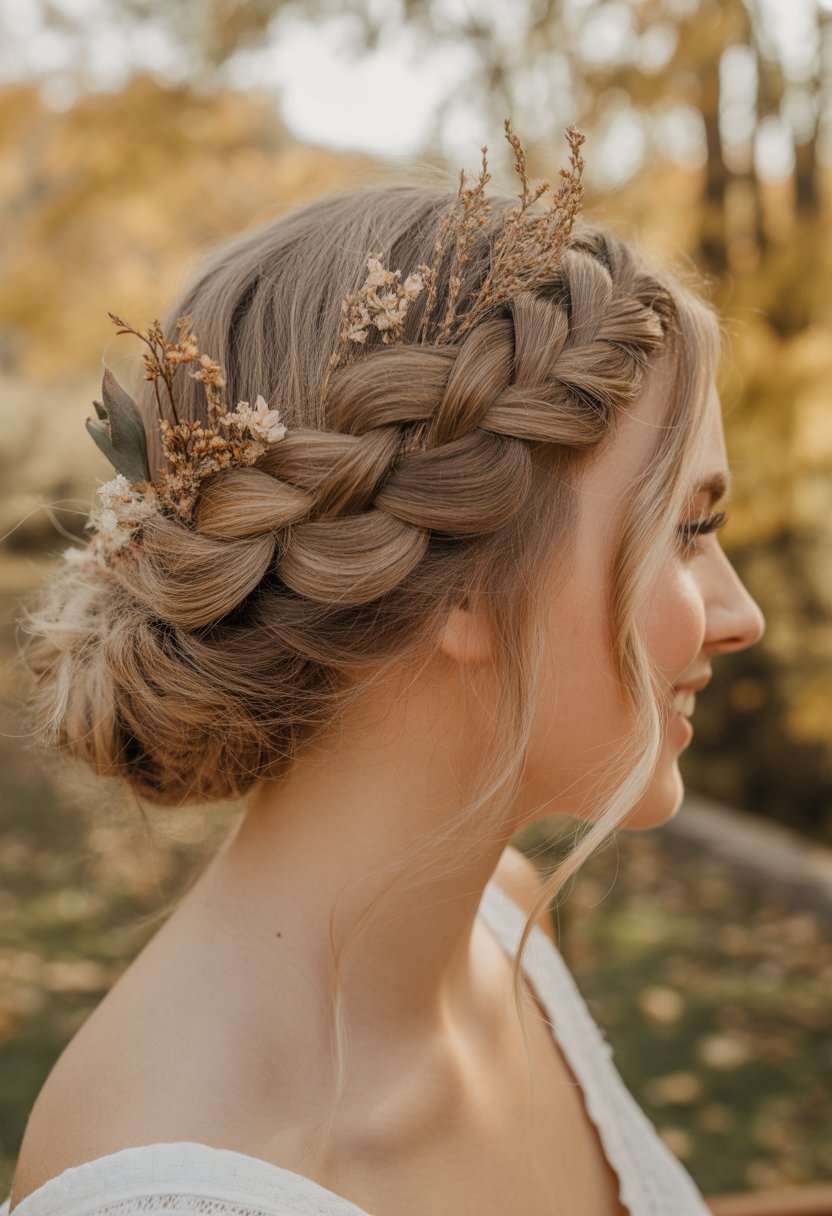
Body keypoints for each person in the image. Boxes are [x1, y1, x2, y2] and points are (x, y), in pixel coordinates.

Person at [4, 123, 764, 1216]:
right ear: (460, 584)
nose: (740, 617)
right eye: (688, 531)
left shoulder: (506, 929)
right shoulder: (179, 1195)